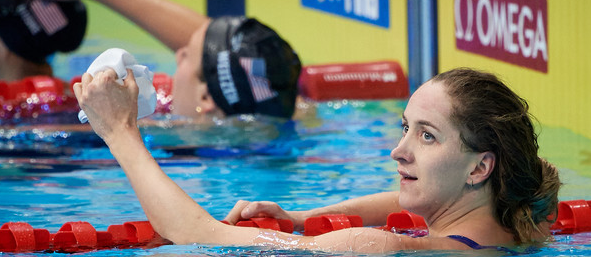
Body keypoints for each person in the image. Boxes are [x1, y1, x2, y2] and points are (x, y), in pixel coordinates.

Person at [73, 67, 561, 251]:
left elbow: (202, 236)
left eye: (427, 137)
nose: (399, 150)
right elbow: (415, 195)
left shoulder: (383, 249)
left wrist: (119, 133)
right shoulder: (527, 225)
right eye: (404, 127)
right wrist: (305, 218)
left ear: (480, 167)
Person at [0, 0, 302, 120]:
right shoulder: (274, 105)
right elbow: (223, 53)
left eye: (186, 56)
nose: (178, 50)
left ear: (206, 96)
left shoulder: (173, 152)